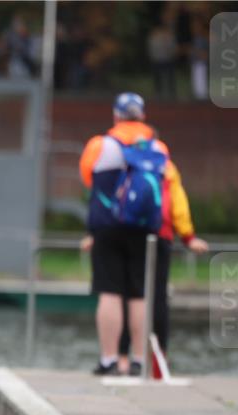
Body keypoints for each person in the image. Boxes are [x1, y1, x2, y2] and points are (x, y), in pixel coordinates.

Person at [83, 159, 210, 375]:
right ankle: (154, 361)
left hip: (116, 232)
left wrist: (96, 233)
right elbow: (177, 203)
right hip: (156, 234)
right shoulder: (164, 165)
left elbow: (99, 193)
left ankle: (120, 359)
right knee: (154, 296)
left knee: (119, 294)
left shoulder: (114, 157)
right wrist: (188, 236)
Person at [79, 92, 171, 376]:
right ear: (143, 116)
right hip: (144, 228)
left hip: (107, 226)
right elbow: (165, 181)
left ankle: (109, 359)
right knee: (139, 293)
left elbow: (87, 177)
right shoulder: (158, 147)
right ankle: (138, 360)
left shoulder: (100, 145)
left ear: (116, 116)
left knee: (109, 291)